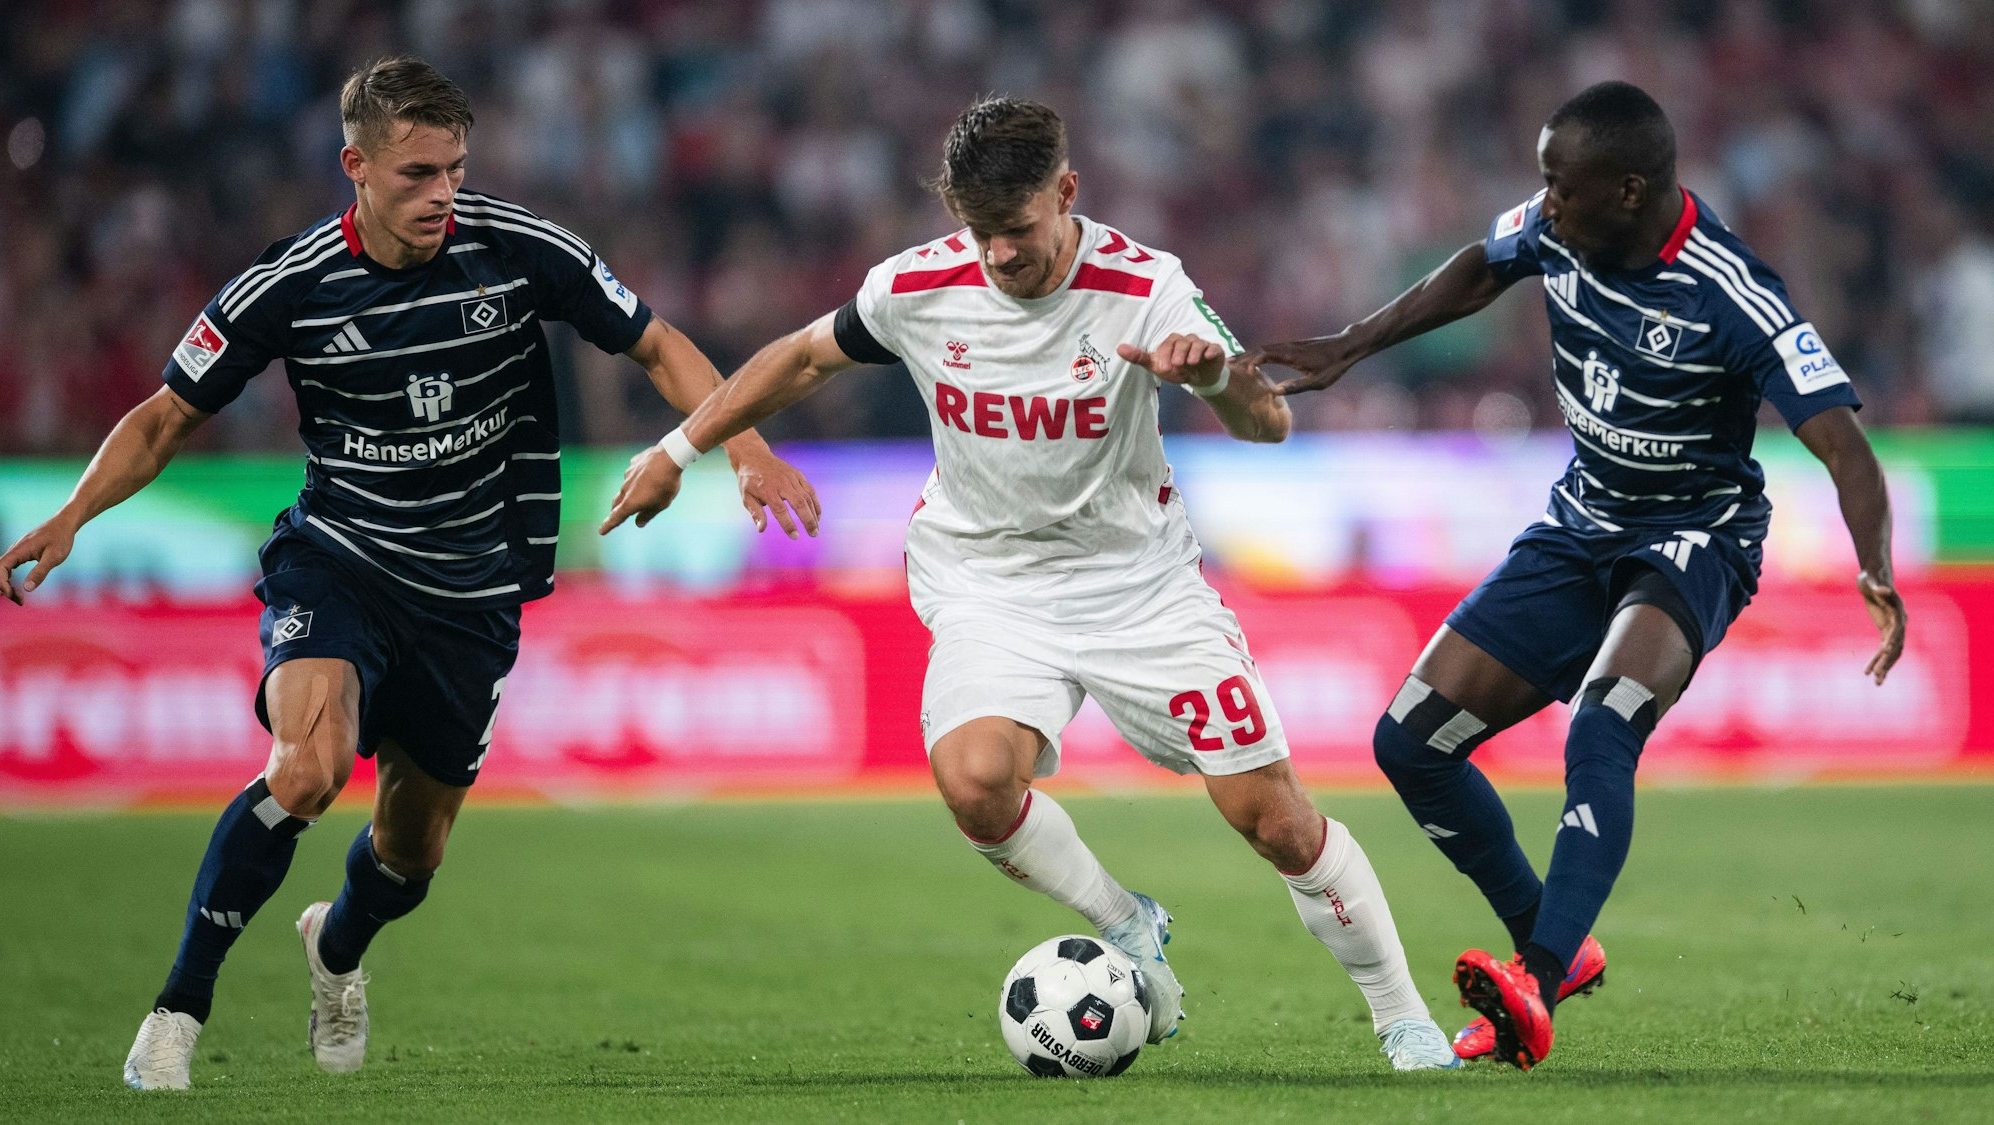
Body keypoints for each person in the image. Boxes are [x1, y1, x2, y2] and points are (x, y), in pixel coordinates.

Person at [0, 56, 818, 1090]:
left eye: (454, 172)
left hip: (471, 595)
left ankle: (335, 948)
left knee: (410, 854)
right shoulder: (288, 285)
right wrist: (73, 514)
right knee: (305, 769)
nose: (440, 195)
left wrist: (740, 450)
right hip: (339, 561)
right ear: (356, 168)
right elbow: (165, 417)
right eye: (416, 174)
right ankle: (177, 1012)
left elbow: (656, 343)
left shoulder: (519, 250)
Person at [601, 96, 1463, 1071]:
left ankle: (1401, 1018)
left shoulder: (1146, 286)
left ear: (1066, 192)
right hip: (987, 579)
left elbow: (1269, 424)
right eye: (981, 233)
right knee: (972, 784)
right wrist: (681, 446)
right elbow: (800, 360)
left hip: (1138, 584)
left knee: (1269, 817)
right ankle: (1124, 922)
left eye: (1016, 230)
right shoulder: (915, 286)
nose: (1000, 256)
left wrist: (1214, 377)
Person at [1239, 81, 1908, 1070]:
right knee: (1408, 742)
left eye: (1561, 185)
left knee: (1602, 725)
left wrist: (1876, 569)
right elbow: (1475, 267)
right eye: (1542, 181)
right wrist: (1350, 346)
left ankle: (1537, 981)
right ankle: (1552, 939)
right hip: (1578, 520)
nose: (1543, 201)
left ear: (1627, 190)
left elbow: (1842, 446)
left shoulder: (1729, 292)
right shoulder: (1557, 227)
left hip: (1693, 537)